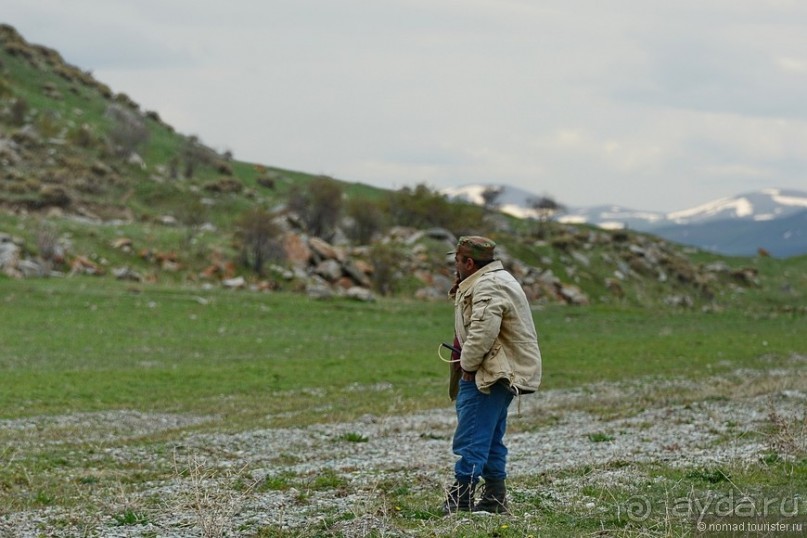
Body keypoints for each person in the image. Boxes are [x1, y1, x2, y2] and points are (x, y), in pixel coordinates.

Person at [443, 235, 542, 515]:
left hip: (488, 374)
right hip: (500, 373)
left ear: (469, 262)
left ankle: (461, 499)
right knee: (489, 438)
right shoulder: (497, 279)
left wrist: (468, 368)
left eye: (458, 261)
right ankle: (494, 499)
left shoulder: (488, 284)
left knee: (472, 437)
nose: (456, 266)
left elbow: (483, 333)